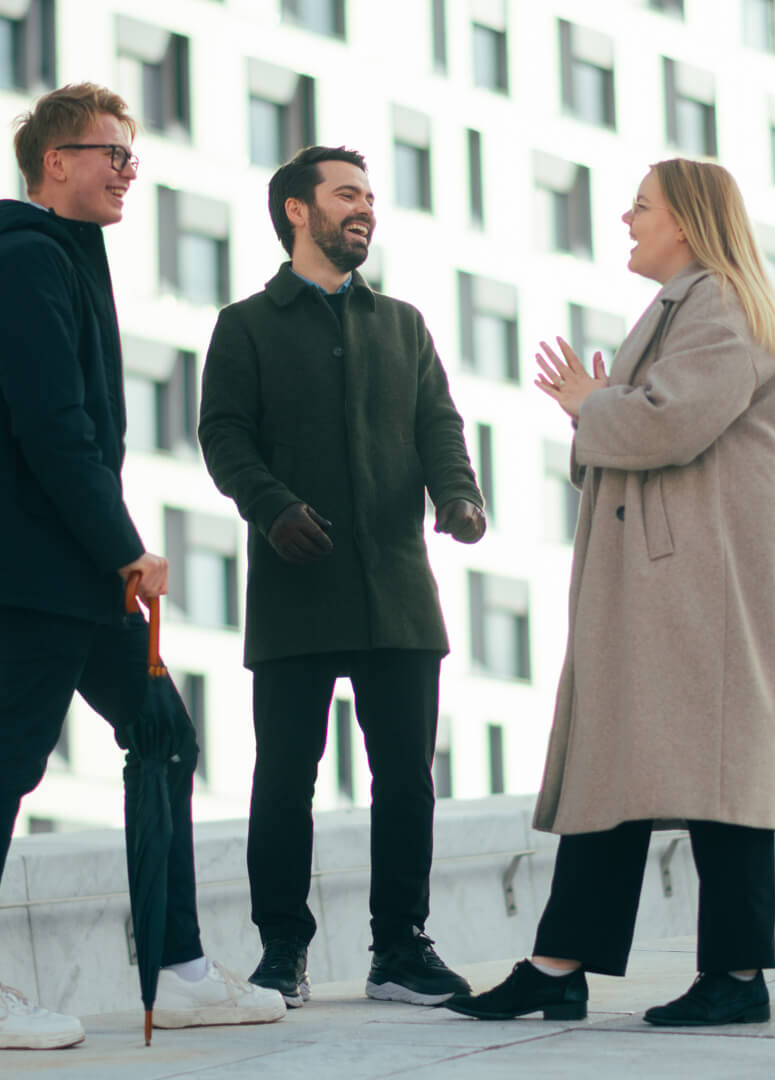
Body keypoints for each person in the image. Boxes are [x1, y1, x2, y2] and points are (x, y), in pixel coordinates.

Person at [0, 82, 284, 1050]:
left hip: (67, 561)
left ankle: (180, 967)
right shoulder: (27, 259)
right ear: (54, 163)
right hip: (48, 559)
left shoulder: (63, 257)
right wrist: (125, 548)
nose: (125, 170)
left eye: (131, 156)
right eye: (108, 152)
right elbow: (54, 429)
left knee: (160, 731)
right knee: (11, 755)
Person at [444, 158, 775, 1027]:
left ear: (687, 221)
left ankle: (738, 977)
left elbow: (668, 423)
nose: (627, 219)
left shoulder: (717, 303)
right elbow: (647, 420)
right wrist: (602, 406)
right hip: (666, 581)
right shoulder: (686, 308)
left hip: (697, 587)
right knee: (616, 764)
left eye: (642, 207)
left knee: (719, 778)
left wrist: (595, 402)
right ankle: (560, 965)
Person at [197, 146, 488, 1008]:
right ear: (298, 209)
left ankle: (400, 950)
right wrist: (273, 507)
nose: (365, 207)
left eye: (369, 196)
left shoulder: (403, 322)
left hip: (398, 585)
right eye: (346, 194)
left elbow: (439, 421)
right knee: (285, 778)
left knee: (407, 779)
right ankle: (281, 951)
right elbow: (224, 438)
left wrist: (460, 496)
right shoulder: (244, 325)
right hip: (294, 586)